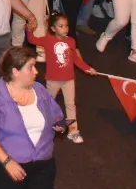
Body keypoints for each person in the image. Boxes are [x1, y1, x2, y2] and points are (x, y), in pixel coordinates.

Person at [0, 46, 66, 189]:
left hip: (43, 167)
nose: (36, 71)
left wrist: (59, 124)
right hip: (10, 169)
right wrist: (7, 162)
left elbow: (56, 115)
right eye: (30, 67)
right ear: (15, 71)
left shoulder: (40, 90)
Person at [26, 13, 97, 144]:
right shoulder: (47, 40)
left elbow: (75, 59)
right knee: (48, 103)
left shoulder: (71, 41)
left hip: (69, 79)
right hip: (53, 80)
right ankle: (43, 127)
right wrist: (28, 29)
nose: (65, 29)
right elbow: (32, 40)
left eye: (66, 26)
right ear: (53, 28)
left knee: (70, 105)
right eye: (61, 26)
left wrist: (87, 68)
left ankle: (73, 131)